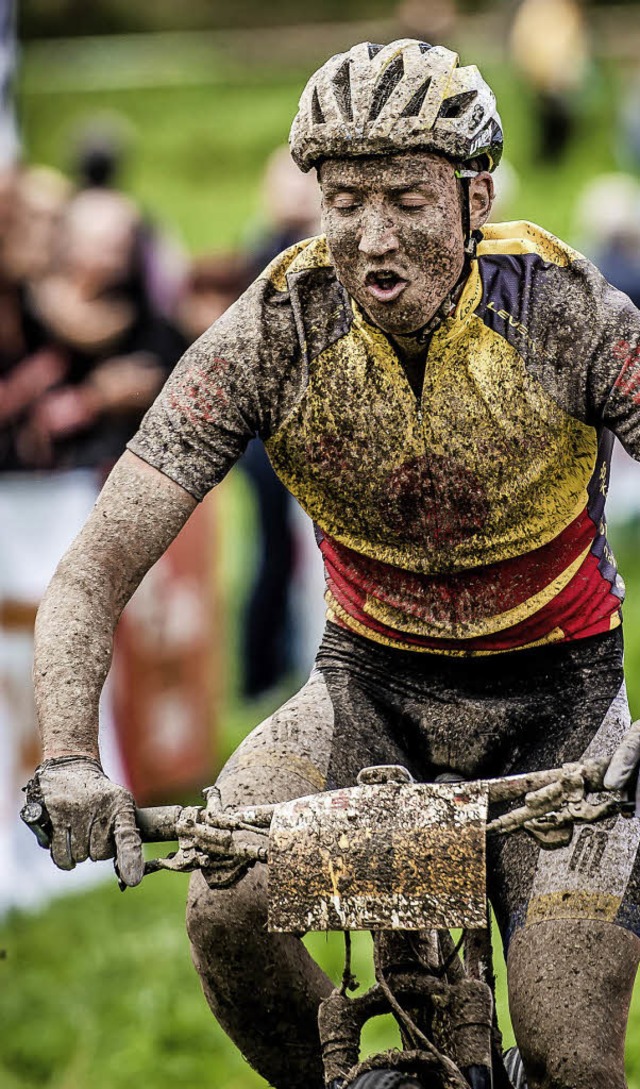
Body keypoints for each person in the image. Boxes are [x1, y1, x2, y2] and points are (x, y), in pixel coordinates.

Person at [27, 39, 640, 1089]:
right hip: (370, 702)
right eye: (343, 198)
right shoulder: (274, 329)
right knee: (228, 913)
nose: (370, 235)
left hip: (562, 712)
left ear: (474, 193)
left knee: (567, 1050)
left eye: (405, 196)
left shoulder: (570, 314)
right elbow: (91, 571)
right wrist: (73, 757)